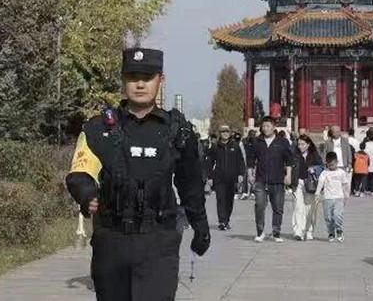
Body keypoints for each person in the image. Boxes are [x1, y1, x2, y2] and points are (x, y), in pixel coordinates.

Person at [65, 48, 210, 301]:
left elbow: (191, 184)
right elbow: (80, 171)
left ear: (160, 80)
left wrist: (201, 227)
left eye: (147, 77)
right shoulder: (99, 129)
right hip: (112, 242)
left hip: (159, 242)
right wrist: (87, 195)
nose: (140, 84)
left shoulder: (177, 131)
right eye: (133, 77)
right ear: (123, 80)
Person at [248, 116, 293, 243]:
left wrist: (288, 175)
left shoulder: (282, 142)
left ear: (273, 127)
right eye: (263, 126)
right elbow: (251, 160)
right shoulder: (257, 142)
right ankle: (260, 232)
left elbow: (289, 160)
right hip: (261, 180)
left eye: (268, 126)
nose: (265, 128)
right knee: (259, 206)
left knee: (278, 208)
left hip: (277, 180)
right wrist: (250, 174)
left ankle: (276, 232)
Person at [206, 125, 246, 230]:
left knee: (229, 200)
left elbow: (240, 161)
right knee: (220, 199)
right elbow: (209, 163)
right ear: (220, 133)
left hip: (232, 178)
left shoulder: (235, 146)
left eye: (227, 132)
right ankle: (222, 221)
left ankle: (226, 220)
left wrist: (241, 174)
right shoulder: (215, 147)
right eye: (223, 132)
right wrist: (209, 177)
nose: (225, 133)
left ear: (229, 133)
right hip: (219, 177)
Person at [291, 135, 323, 241]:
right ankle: (298, 231)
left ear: (308, 145)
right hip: (298, 183)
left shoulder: (315, 155)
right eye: (299, 144)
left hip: (310, 184)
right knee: (298, 207)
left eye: (303, 144)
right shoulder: (294, 154)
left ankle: (309, 231)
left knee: (310, 209)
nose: (300, 146)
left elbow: (322, 167)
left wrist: (314, 169)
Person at [316, 152, 350, 242]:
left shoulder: (341, 173)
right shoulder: (324, 173)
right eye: (329, 165)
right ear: (326, 163)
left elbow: (345, 185)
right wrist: (317, 193)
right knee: (328, 217)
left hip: (339, 197)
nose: (331, 166)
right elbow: (320, 183)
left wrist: (346, 196)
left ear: (337, 162)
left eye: (333, 164)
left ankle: (339, 230)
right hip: (327, 197)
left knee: (337, 215)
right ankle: (331, 232)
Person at [240, 130, 258, 200]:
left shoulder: (255, 141)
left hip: (252, 162)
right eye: (253, 134)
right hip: (248, 162)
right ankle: (246, 192)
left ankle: (251, 191)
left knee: (253, 177)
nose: (253, 136)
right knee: (247, 177)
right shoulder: (245, 141)